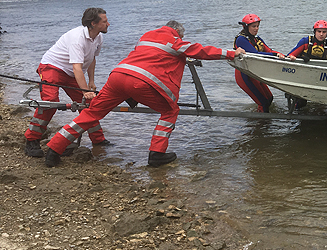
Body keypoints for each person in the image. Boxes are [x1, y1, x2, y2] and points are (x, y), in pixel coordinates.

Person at [43, 21, 245, 168]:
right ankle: (156, 154)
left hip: (118, 75)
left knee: (92, 113)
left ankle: (54, 148)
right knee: (170, 111)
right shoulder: (175, 41)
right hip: (141, 82)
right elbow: (200, 51)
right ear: (177, 33)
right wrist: (230, 53)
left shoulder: (146, 37)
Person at [25, 7, 110, 158]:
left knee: (90, 103)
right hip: (52, 67)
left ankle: (98, 140)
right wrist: (84, 91)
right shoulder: (77, 38)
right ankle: (32, 140)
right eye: (104, 21)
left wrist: (91, 81)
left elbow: (91, 59)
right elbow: (77, 67)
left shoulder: (98, 37)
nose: (108, 24)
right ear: (93, 23)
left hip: (70, 71)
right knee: (50, 102)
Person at [233, 13, 289, 112]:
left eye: (258, 26)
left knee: (269, 99)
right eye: (253, 26)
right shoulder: (241, 39)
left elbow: (268, 50)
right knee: (263, 103)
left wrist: (282, 55)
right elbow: (256, 54)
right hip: (244, 74)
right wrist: (275, 56)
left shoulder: (256, 38)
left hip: (255, 73)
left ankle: (260, 123)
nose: (256, 28)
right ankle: (262, 123)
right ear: (246, 27)